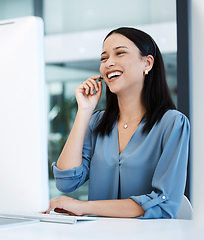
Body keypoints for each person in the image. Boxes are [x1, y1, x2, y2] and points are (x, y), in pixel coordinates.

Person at [45, 27, 190, 219]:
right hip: (99, 235)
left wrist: (85, 207)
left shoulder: (172, 123)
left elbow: (163, 203)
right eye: (104, 58)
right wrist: (84, 111)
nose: (109, 63)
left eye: (120, 53)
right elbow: (66, 182)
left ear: (147, 63)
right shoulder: (97, 122)